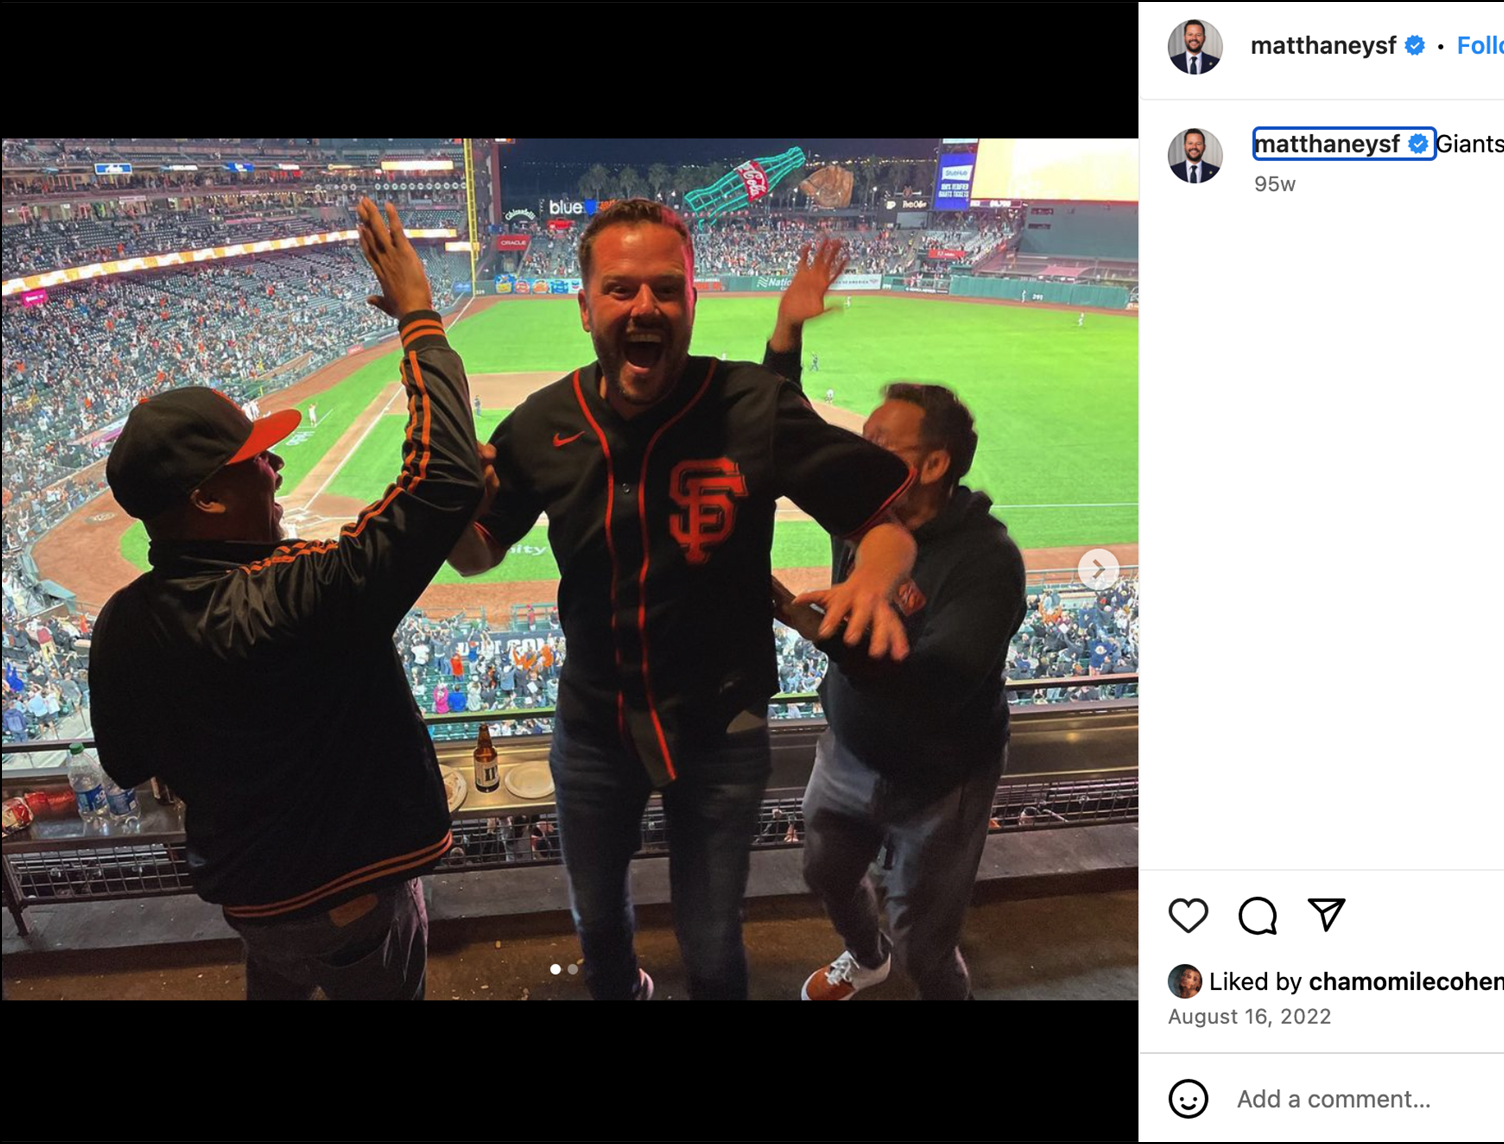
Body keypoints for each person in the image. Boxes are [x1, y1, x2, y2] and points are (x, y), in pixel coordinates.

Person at [445, 202, 917, 1001]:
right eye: (620, 289)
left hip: (721, 725)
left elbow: (886, 519)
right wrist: (449, 500)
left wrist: (875, 574)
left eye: (667, 288)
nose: (645, 308)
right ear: (586, 304)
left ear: (694, 299)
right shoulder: (541, 425)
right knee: (596, 923)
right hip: (594, 723)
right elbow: (476, 554)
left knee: (710, 936)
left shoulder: (753, 407)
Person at [85, 198, 488, 1000]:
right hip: (350, 906)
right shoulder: (294, 596)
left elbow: (130, 763)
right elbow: (442, 482)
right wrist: (418, 315)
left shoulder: (119, 624)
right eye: (253, 464)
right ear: (203, 500)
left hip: (250, 899)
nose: (275, 472)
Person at [776, 382, 1027, 1001]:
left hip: (942, 779)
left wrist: (830, 638)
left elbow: (936, 691)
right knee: (825, 872)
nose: (860, 453)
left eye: (880, 443)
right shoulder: (864, 512)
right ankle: (866, 957)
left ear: (934, 464)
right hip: (850, 751)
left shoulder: (988, 561)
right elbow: (787, 428)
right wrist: (787, 329)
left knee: (925, 943)